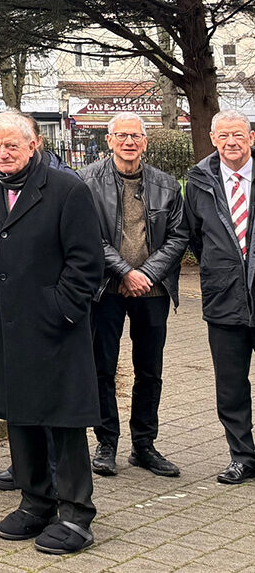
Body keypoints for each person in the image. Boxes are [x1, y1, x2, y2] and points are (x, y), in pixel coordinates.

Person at [0, 110, 103, 555]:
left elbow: (87, 265)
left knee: (63, 421)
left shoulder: (68, 190)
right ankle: (34, 501)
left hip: (54, 329)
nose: (2, 154)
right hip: (5, 328)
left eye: (12, 145)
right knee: (19, 416)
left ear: (34, 145)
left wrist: (58, 310)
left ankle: (76, 514)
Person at [79, 112, 187, 478]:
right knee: (101, 368)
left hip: (152, 290)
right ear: (108, 140)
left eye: (135, 136)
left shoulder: (166, 185)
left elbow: (178, 237)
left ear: (145, 141)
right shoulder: (87, 182)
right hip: (105, 288)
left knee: (150, 370)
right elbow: (87, 237)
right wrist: (124, 272)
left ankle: (144, 445)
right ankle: (106, 442)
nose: (129, 142)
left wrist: (146, 274)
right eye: (121, 135)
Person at [183, 109, 255, 486]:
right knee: (231, 385)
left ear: (251, 139)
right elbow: (195, 236)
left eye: (238, 135)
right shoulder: (198, 182)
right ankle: (242, 456)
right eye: (223, 136)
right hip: (223, 298)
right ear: (213, 139)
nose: (231, 142)